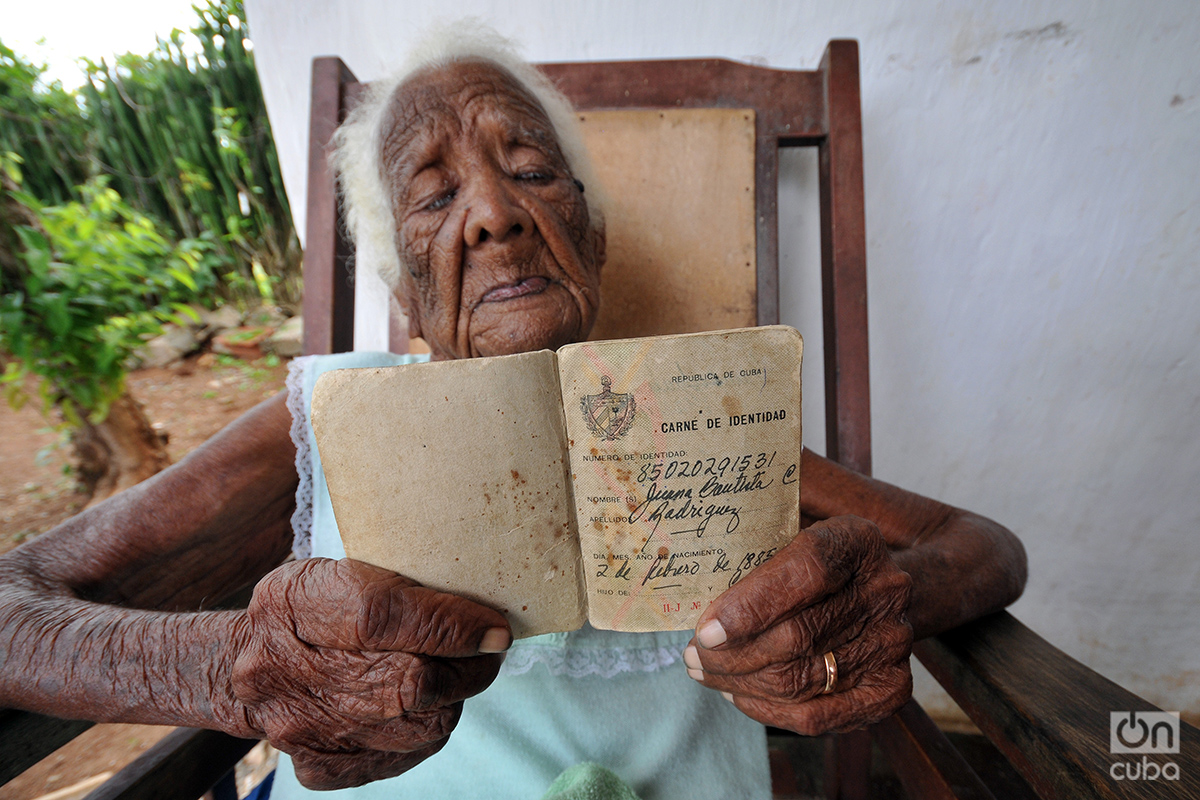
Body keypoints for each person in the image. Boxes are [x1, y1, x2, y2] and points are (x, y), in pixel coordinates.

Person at [0, 27, 1026, 800]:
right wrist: (228, 669)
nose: (494, 212)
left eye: (532, 171)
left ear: (595, 232)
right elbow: (13, 601)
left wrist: (887, 596)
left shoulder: (698, 411)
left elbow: (980, 546)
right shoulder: (333, 412)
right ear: (403, 290)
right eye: (435, 196)